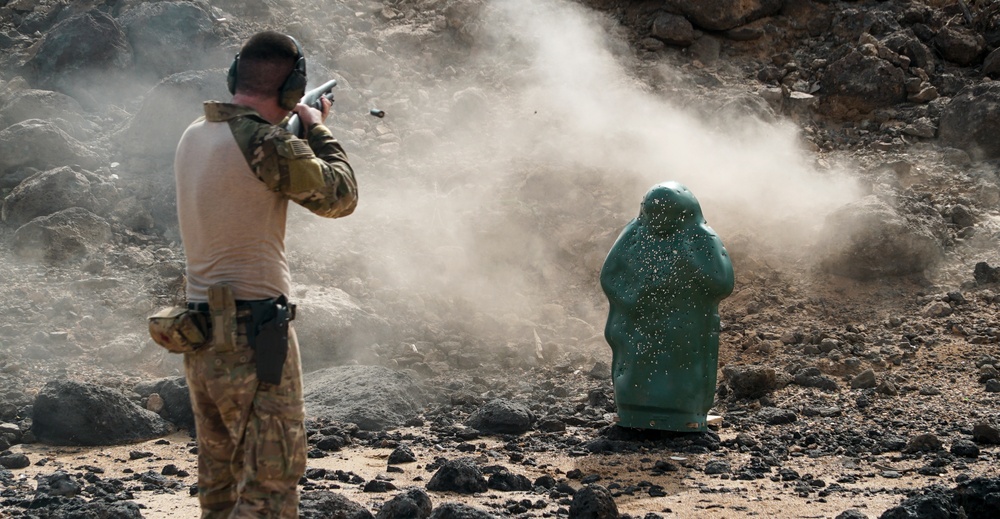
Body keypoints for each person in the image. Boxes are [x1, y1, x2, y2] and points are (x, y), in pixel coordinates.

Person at [173, 31, 358, 518]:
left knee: (221, 485)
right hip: (255, 334)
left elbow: (248, 174)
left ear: (236, 74)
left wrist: (289, 134)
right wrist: (316, 129)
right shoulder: (267, 143)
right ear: (295, 89)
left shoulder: (196, 133)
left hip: (199, 333)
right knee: (271, 486)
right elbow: (341, 196)